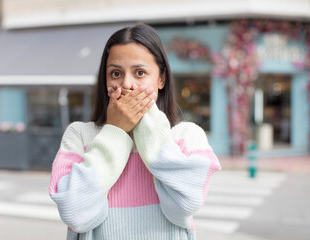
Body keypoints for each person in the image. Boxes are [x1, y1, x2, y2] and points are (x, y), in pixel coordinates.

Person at [49, 23, 221, 240]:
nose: (127, 84)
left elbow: (184, 206)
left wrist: (149, 124)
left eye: (140, 73)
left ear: (161, 79)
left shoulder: (186, 136)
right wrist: (116, 131)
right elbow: (75, 214)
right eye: (115, 73)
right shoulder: (80, 135)